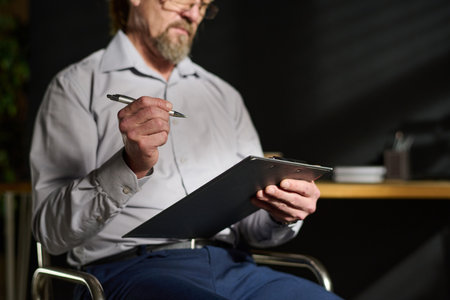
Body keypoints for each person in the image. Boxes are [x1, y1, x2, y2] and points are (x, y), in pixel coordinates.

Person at [30, 0, 342, 299]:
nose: (193, 15)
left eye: (203, 5)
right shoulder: (76, 87)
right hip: (128, 273)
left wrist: (281, 213)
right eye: (182, 2)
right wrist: (129, 165)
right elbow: (50, 233)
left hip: (235, 269)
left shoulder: (224, 96)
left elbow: (253, 228)